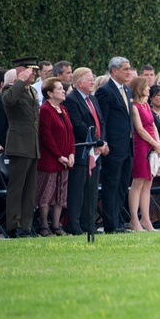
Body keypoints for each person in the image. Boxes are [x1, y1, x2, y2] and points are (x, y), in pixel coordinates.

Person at [63, 67, 107, 236]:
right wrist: (96, 141)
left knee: (92, 189)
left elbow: (100, 122)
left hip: (95, 151)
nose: (92, 82)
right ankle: (74, 225)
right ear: (79, 82)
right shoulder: (71, 100)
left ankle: (89, 224)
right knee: (77, 190)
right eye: (90, 79)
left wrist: (101, 141)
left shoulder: (93, 99)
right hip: (82, 150)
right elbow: (78, 124)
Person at [95, 57, 134, 234]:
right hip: (113, 146)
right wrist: (104, 142)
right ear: (114, 71)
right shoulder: (105, 91)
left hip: (127, 145)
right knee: (111, 184)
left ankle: (118, 221)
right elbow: (102, 119)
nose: (128, 72)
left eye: (129, 69)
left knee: (122, 185)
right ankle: (111, 224)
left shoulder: (126, 89)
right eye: (125, 69)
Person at [2, 58, 41, 237]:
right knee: (17, 188)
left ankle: (26, 225)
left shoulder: (31, 91)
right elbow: (9, 102)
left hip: (32, 144)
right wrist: (19, 81)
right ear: (20, 70)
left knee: (29, 189)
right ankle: (13, 225)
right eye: (30, 70)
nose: (34, 73)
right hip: (18, 144)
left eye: (35, 70)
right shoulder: (12, 89)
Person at [35, 77, 75, 236]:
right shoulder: (45, 109)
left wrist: (71, 153)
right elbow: (46, 136)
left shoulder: (64, 109)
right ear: (50, 93)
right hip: (50, 159)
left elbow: (70, 133)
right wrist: (59, 156)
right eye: (59, 88)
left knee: (60, 192)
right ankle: (44, 225)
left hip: (65, 159)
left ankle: (56, 224)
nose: (63, 91)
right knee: (46, 192)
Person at [128, 76, 160, 232]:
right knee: (138, 182)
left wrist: (158, 143)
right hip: (142, 145)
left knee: (148, 182)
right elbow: (140, 129)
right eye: (147, 86)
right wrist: (153, 142)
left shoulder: (146, 105)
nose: (149, 89)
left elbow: (152, 125)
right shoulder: (135, 106)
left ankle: (146, 218)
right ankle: (134, 219)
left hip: (152, 144)